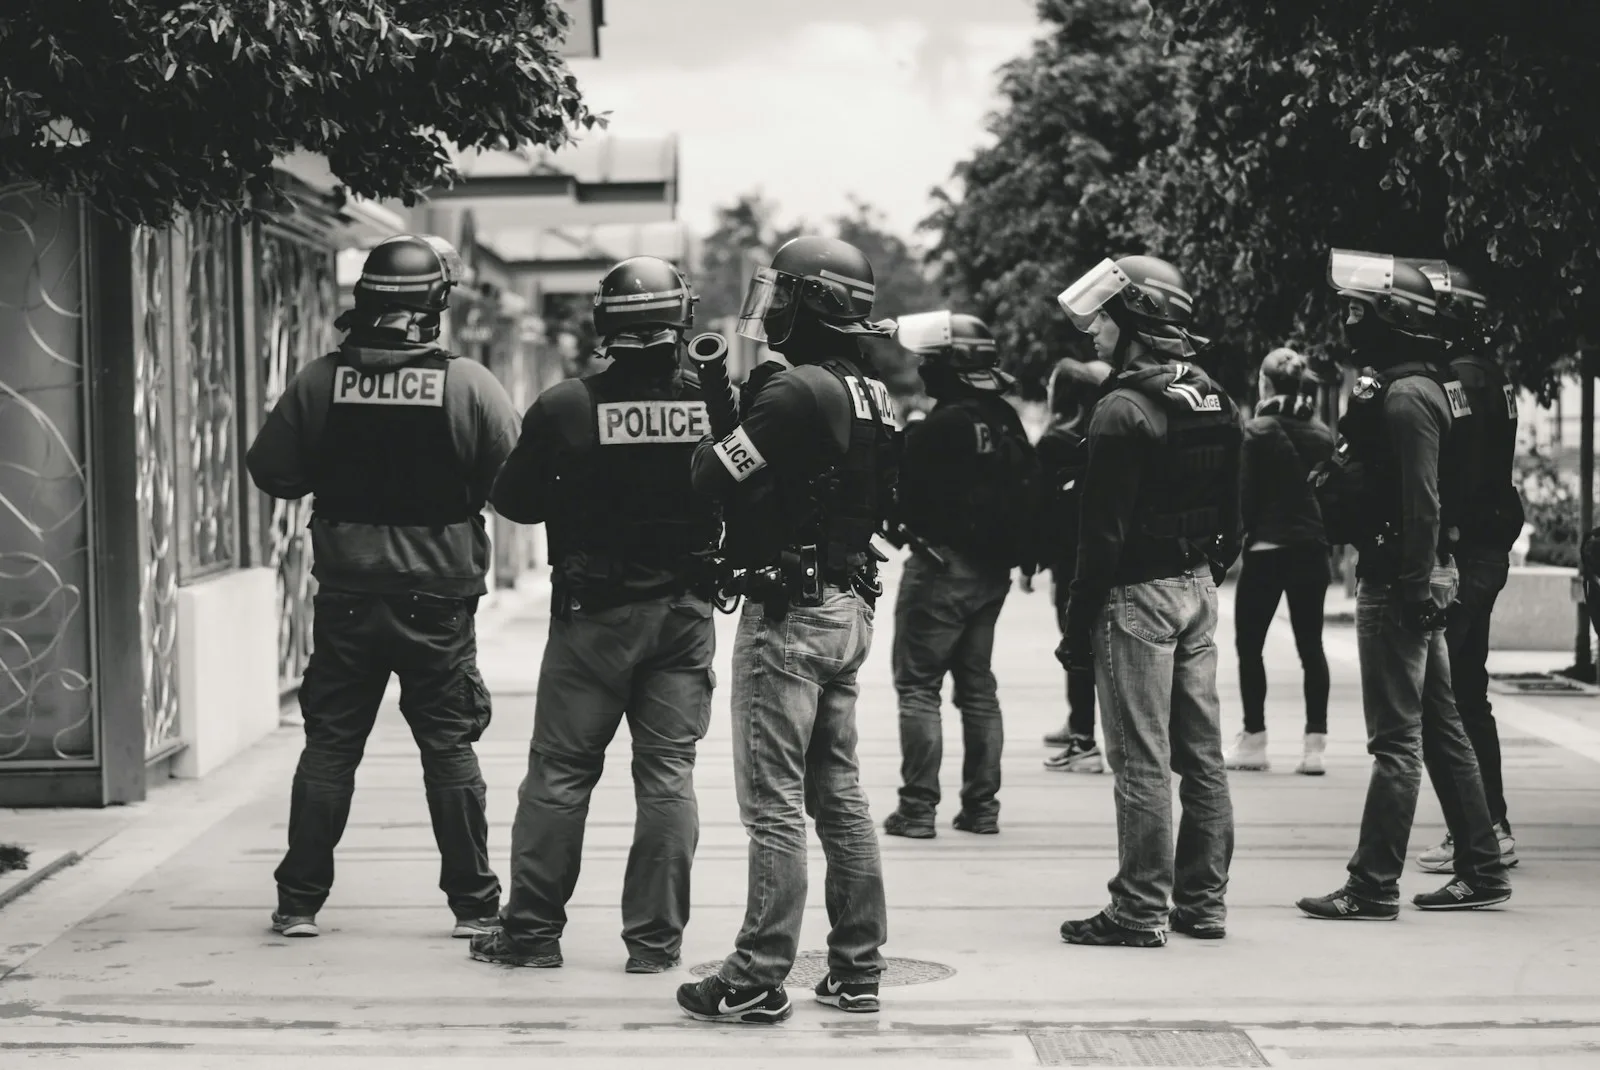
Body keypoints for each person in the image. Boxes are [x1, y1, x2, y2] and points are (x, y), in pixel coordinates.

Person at [246, 234, 520, 940]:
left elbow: (272, 471)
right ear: (435, 307)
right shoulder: (467, 384)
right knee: (449, 747)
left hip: (346, 595)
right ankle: (474, 906)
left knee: (331, 745)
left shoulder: (318, 381)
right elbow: (516, 483)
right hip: (438, 598)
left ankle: (299, 903)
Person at [466, 257, 723, 973]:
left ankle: (533, 936)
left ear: (605, 324)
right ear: (682, 321)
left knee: (560, 777)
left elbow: (516, 502)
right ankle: (654, 944)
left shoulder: (567, 407)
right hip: (685, 616)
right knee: (668, 776)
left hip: (593, 621)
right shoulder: (714, 404)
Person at [676, 236, 898, 1024]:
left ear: (810, 305)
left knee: (773, 805)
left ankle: (758, 974)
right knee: (839, 797)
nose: (771, 310)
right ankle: (857, 969)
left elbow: (710, 475)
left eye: (785, 295)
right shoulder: (868, 391)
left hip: (791, 618)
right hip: (847, 608)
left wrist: (739, 401)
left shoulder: (794, 389)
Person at [1297, 249, 1510, 919]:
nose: (1349, 323)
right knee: (1443, 731)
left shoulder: (1406, 395)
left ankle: (1372, 884)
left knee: (1396, 741)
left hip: (1399, 582)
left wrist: (1416, 583)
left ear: (1394, 317)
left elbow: (1423, 501)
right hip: (1415, 575)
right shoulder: (1419, 385)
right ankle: (1481, 868)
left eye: (1359, 311)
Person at [1052, 254, 1243, 947]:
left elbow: (1097, 540)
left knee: (1140, 759)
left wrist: (1077, 630)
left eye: (1104, 316)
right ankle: (1203, 904)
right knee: (1202, 756)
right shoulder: (1215, 395)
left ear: (1134, 320)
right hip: (1195, 589)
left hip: (1135, 596)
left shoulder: (1121, 409)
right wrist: (1202, 572)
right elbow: (1235, 514)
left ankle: (1137, 911)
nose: (1093, 330)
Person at [879, 311, 1038, 838]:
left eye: (929, 361)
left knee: (919, 688)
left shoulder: (940, 425)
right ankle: (981, 809)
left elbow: (903, 497)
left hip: (940, 570)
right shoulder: (1006, 419)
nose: (922, 369)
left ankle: (917, 809)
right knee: (977, 690)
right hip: (992, 576)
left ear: (950, 367)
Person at [1399, 260, 1524, 875]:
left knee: (1444, 697)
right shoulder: (1489, 374)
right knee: (1467, 692)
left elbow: (1459, 473)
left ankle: (1478, 831)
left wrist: (1440, 542)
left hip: (1468, 550)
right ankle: (1488, 824)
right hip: (1487, 547)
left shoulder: (1459, 379)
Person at [1224, 347, 1336, 775]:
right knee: (1312, 647)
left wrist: (1238, 539)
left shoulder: (1255, 431)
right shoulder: (1322, 433)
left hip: (1267, 552)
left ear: (1265, 384)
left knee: (1250, 647)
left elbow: (1245, 498)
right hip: (1311, 551)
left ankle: (1254, 739)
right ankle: (1314, 747)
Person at [1038, 357, 1113, 772]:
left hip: (1071, 563)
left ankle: (1084, 740)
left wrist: (1033, 564)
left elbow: (1043, 510)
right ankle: (1081, 726)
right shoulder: (1104, 436)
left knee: (1075, 646)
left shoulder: (1055, 442)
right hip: (1107, 556)